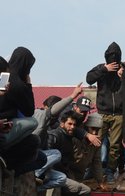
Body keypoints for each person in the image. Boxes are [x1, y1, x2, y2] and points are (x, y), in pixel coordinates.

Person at [0, 48, 47, 177]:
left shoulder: (5, 78)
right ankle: (8, 167)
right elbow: (29, 111)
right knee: (33, 123)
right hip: (5, 131)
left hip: (5, 127)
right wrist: (28, 85)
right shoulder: (17, 83)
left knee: (40, 155)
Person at [86, 42, 125, 184]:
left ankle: (110, 171)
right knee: (96, 142)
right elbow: (89, 78)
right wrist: (105, 69)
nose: (113, 59)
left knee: (115, 146)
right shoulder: (101, 68)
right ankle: (92, 170)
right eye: (110, 57)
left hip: (119, 114)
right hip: (102, 112)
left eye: (116, 57)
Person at [33, 84, 83, 192]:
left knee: (61, 178)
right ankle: (36, 174)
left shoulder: (55, 125)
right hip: (32, 160)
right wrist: (73, 95)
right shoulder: (40, 117)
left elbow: (68, 127)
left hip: (44, 165)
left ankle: (37, 188)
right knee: (56, 153)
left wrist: (86, 134)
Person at [47, 110, 91, 195]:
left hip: (65, 172)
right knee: (75, 187)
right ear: (62, 124)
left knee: (86, 190)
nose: (72, 127)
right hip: (53, 174)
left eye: (74, 125)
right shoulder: (54, 136)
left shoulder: (69, 135)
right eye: (70, 124)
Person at [71, 112, 104, 190]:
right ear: (86, 127)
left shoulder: (96, 142)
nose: (94, 133)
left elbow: (97, 162)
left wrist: (100, 181)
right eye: (92, 128)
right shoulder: (74, 139)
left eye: (97, 130)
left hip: (80, 176)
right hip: (68, 175)